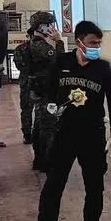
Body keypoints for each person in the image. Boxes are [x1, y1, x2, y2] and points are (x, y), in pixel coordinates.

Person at [22, 21, 111, 221]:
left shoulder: (104, 69)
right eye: (92, 43)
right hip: (64, 133)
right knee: (54, 184)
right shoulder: (62, 63)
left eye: (99, 43)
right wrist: (49, 104)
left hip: (93, 135)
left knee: (95, 186)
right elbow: (49, 89)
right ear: (79, 42)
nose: (96, 47)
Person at [27, 12, 65, 172]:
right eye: (49, 25)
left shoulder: (35, 43)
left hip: (41, 90)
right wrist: (59, 41)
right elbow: (60, 60)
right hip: (46, 92)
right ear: (40, 26)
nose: (52, 28)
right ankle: (47, 163)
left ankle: (39, 160)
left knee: (39, 126)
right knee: (48, 128)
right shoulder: (40, 45)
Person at [12, 28, 34, 145]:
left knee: (43, 110)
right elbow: (21, 66)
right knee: (26, 110)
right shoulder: (21, 49)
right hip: (28, 83)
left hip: (37, 83)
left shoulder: (21, 49)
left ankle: (36, 134)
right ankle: (27, 134)